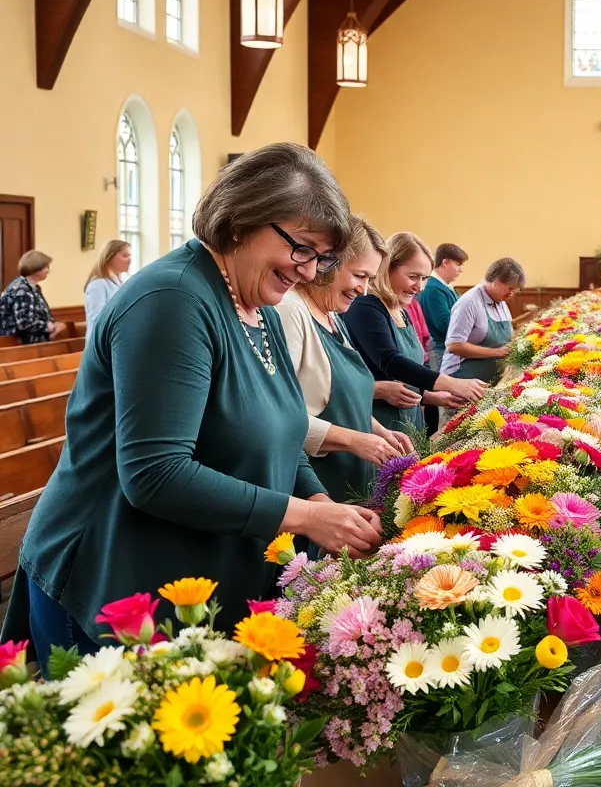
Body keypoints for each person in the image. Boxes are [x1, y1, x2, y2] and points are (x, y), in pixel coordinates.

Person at [2, 143, 383, 664]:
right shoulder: (173, 301)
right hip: (118, 589)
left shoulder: (257, 302)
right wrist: (300, 517)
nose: (310, 270)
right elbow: (155, 473)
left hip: (198, 585)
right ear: (240, 221)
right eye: (302, 248)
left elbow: (284, 430)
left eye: (322, 258)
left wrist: (317, 500)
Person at [277, 215, 415, 505]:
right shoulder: (291, 311)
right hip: (317, 487)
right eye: (359, 275)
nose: (363, 290)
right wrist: (355, 440)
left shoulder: (332, 315)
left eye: (370, 279)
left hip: (354, 480)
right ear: (328, 263)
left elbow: (345, 402)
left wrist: (380, 432)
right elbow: (278, 417)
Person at [344, 232, 484, 434]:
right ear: (387, 268)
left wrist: (434, 396)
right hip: (380, 424)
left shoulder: (400, 307)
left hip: (408, 419)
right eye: (413, 277)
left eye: (424, 278)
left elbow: (410, 373)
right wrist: (451, 383)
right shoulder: (366, 306)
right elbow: (390, 361)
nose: (419, 287)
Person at [441, 257, 523, 385]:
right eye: (510, 288)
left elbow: (508, 333)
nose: (512, 294)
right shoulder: (469, 302)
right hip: (460, 378)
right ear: (497, 281)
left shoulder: (500, 302)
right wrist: (496, 352)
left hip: (486, 379)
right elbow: (454, 345)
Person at [418, 243, 468, 435]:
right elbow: (446, 323)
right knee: (441, 399)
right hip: (439, 350)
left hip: (445, 349)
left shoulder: (444, 287)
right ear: (445, 262)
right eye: (458, 264)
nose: (460, 270)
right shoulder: (433, 289)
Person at [0, 251, 65, 344]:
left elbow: (39, 315)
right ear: (36, 268)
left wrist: (53, 324)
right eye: (46, 267)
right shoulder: (21, 289)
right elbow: (23, 323)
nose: (48, 270)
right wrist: (47, 326)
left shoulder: (32, 288)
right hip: (20, 346)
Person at [84, 239, 133, 335]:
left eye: (130, 255)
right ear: (110, 257)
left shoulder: (121, 282)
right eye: (125, 256)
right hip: (102, 341)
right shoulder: (98, 283)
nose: (130, 260)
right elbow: (97, 318)